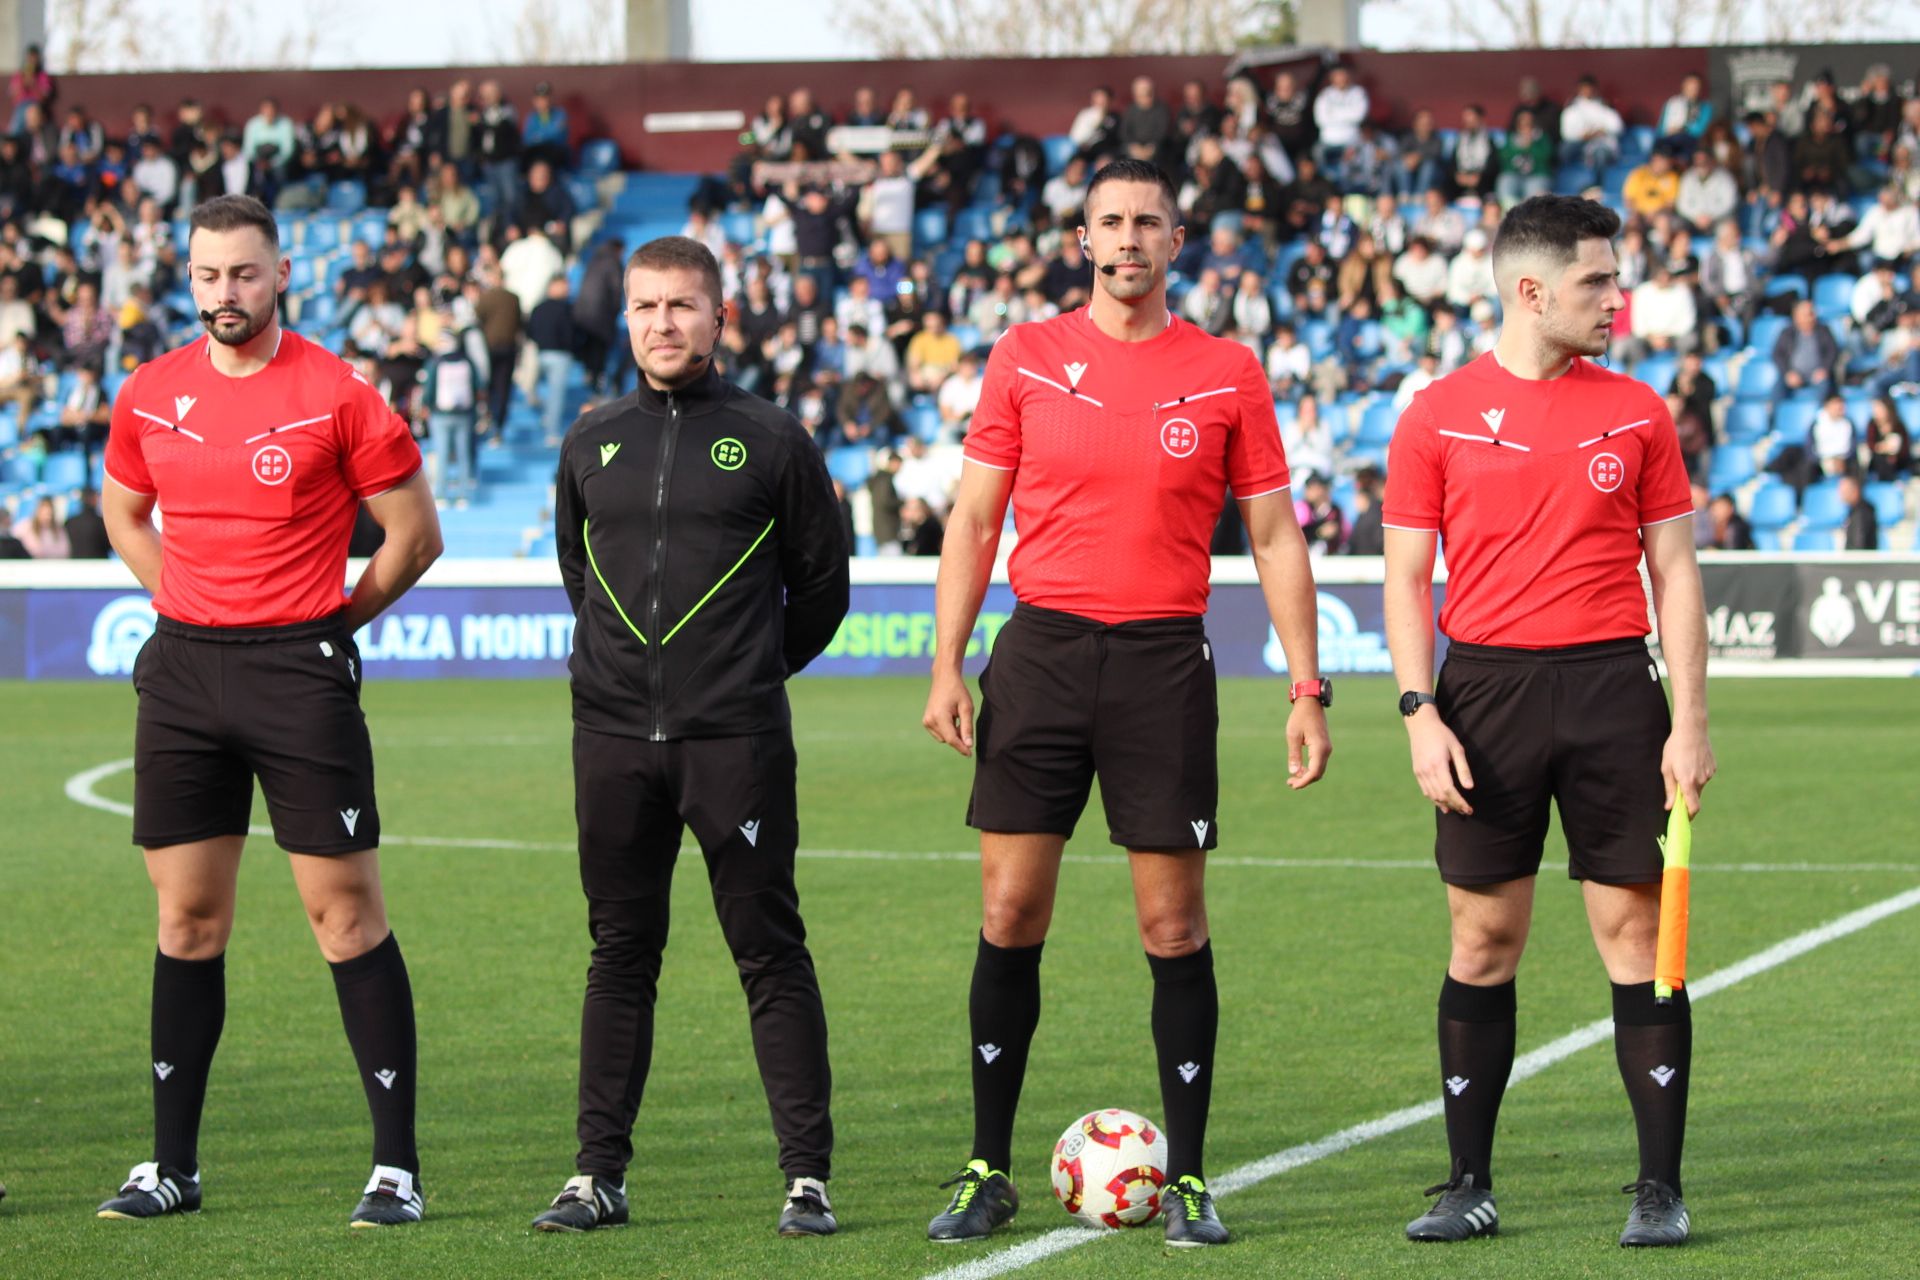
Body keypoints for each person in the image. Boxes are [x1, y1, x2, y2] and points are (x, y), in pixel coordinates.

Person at [919, 159, 1330, 1249]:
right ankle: (984, 1165)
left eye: (1149, 220)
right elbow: (971, 522)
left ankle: (1189, 1177)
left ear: (1177, 238)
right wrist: (945, 663)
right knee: (1010, 913)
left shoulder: (1229, 370)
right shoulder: (1026, 357)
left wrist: (1305, 684)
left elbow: (1276, 535)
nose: (1129, 236)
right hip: (1042, 652)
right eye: (1110, 219)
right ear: (1086, 238)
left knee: (1172, 921)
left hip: (1162, 663)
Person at [95, 195, 442, 1227]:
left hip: (299, 670)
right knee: (186, 919)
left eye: (243, 275)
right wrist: (180, 602)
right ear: (187, 277)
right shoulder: (150, 393)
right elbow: (122, 507)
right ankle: (171, 1167)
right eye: (206, 276)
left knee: (345, 917)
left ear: (283, 272)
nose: (223, 295)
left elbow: (413, 534)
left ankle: (394, 1168)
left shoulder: (339, 392)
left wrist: (334, 620)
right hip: (185, 675)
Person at [1381, 195, 1714, 1249]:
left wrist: (1690, 719)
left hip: (1618, 690)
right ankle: (1467, 1180)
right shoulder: (1434, 413)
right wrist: (1418, 711)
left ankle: (1658, 1188)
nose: (1617, 299)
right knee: (1484, 936)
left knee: (1635, 934)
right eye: (1596, 283)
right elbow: (1404, 577)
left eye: (1614, 280)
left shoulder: (1640, 409)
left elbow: (1674, 569)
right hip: (1483, 695)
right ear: (1532, 291)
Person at [541, 236, 850, 1238]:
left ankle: (806, 1177)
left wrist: (744, 671)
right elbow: (579, 576)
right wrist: (631, 678)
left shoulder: (774, 440)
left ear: (720, 318)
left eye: (682, 306)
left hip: (736, 740)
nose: (663, 324)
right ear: (625, 319)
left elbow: (822, 587)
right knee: (618, 949)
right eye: (645, 307)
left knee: (768, 948)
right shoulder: (590, 443)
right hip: (613, 738)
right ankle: (597, 1175)